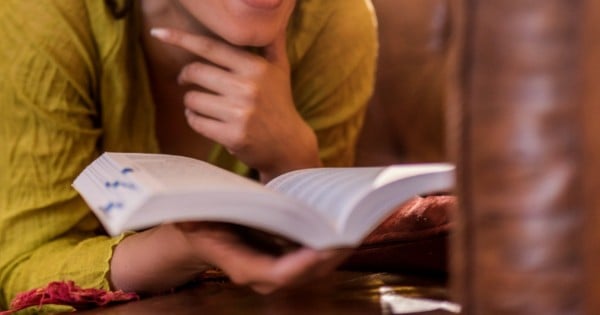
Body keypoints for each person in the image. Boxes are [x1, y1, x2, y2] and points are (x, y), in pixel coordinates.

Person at [0, 0, 378, 310]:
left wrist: (293, 161)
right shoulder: (43, 14)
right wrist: (184, 246)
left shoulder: (335, 17)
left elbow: (319, 270)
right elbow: (21, 272)